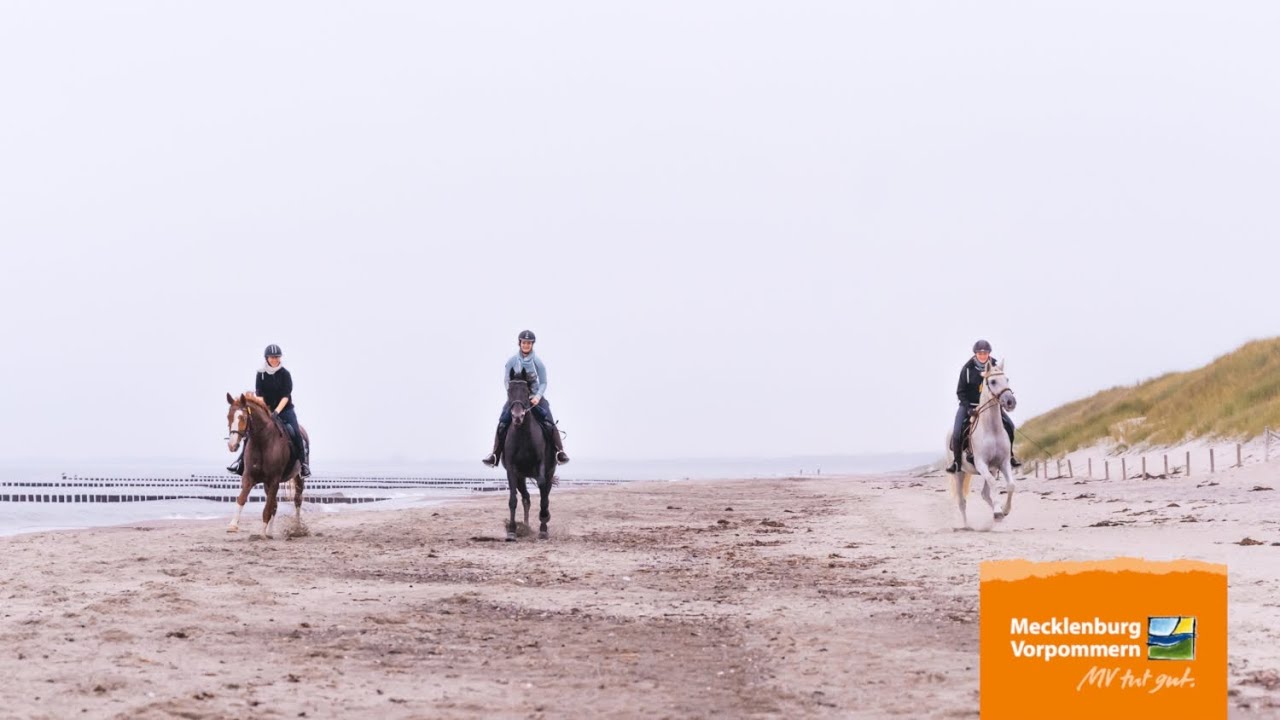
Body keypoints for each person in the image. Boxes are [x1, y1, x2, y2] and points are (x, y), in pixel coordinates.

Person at [482, 330, 570, 467]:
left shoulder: (538, 362)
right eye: (524, 342)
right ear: (520, 343)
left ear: (532, 344)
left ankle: (560, 452)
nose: (526, 345)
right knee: (502, 422)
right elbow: (506, 380)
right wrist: (513, 396)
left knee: (549, 422)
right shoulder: (511, 361)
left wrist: (537, 397)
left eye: (529, 343)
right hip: (516, 399)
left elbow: (543, 382)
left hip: (535, 398)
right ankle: (495, 455)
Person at [226, 344, 311, 478]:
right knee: (250, 432)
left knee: (295, 432)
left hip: (285, 409)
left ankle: (303, 464)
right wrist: (265, 410)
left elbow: (285, 396)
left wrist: (276, 412)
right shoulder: (260, 374)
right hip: (266, 409)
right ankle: (241, 463)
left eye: (277, 357)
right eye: (272, 357)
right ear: (267, 358)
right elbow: (259, 395)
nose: (274, 359)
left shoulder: (285, 374)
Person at [947, 339, 1020, 473]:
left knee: (1010, 425)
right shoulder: (967, 369)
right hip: (969, 406)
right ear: (975, 354)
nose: (982, 355)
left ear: (988, 353)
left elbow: (1001, 386)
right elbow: (960, 392)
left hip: (990, 406)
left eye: (985, 353)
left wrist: (1002, 399)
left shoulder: (995, 367)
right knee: (957, 432)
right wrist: (968, 408)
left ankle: (1010, 456)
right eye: (980, 353)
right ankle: (957, 462)